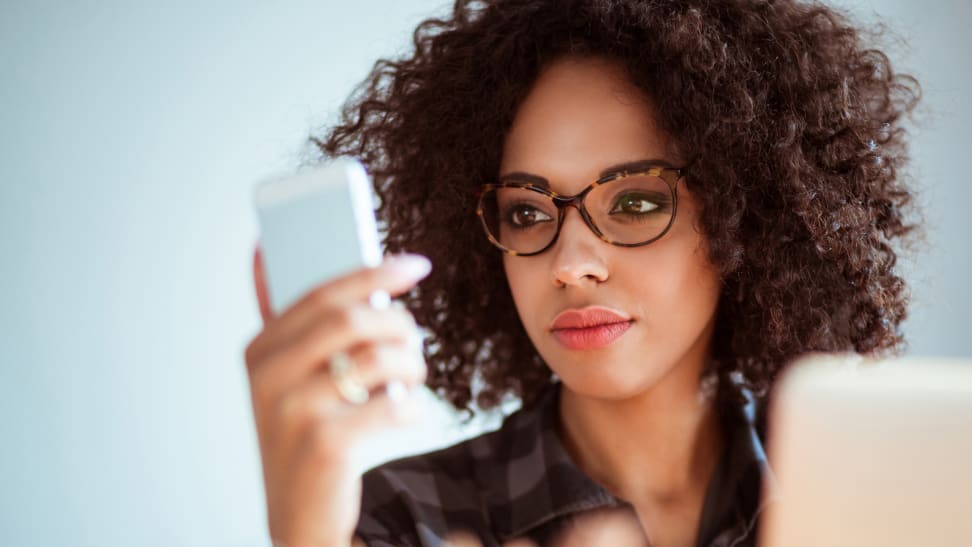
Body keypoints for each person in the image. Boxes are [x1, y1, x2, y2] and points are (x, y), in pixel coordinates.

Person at [243, 0, 921, 545]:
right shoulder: (399, 521)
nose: (570, 265)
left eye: (635, 202)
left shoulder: (870, 509)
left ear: (743, 212)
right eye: (528, 213)